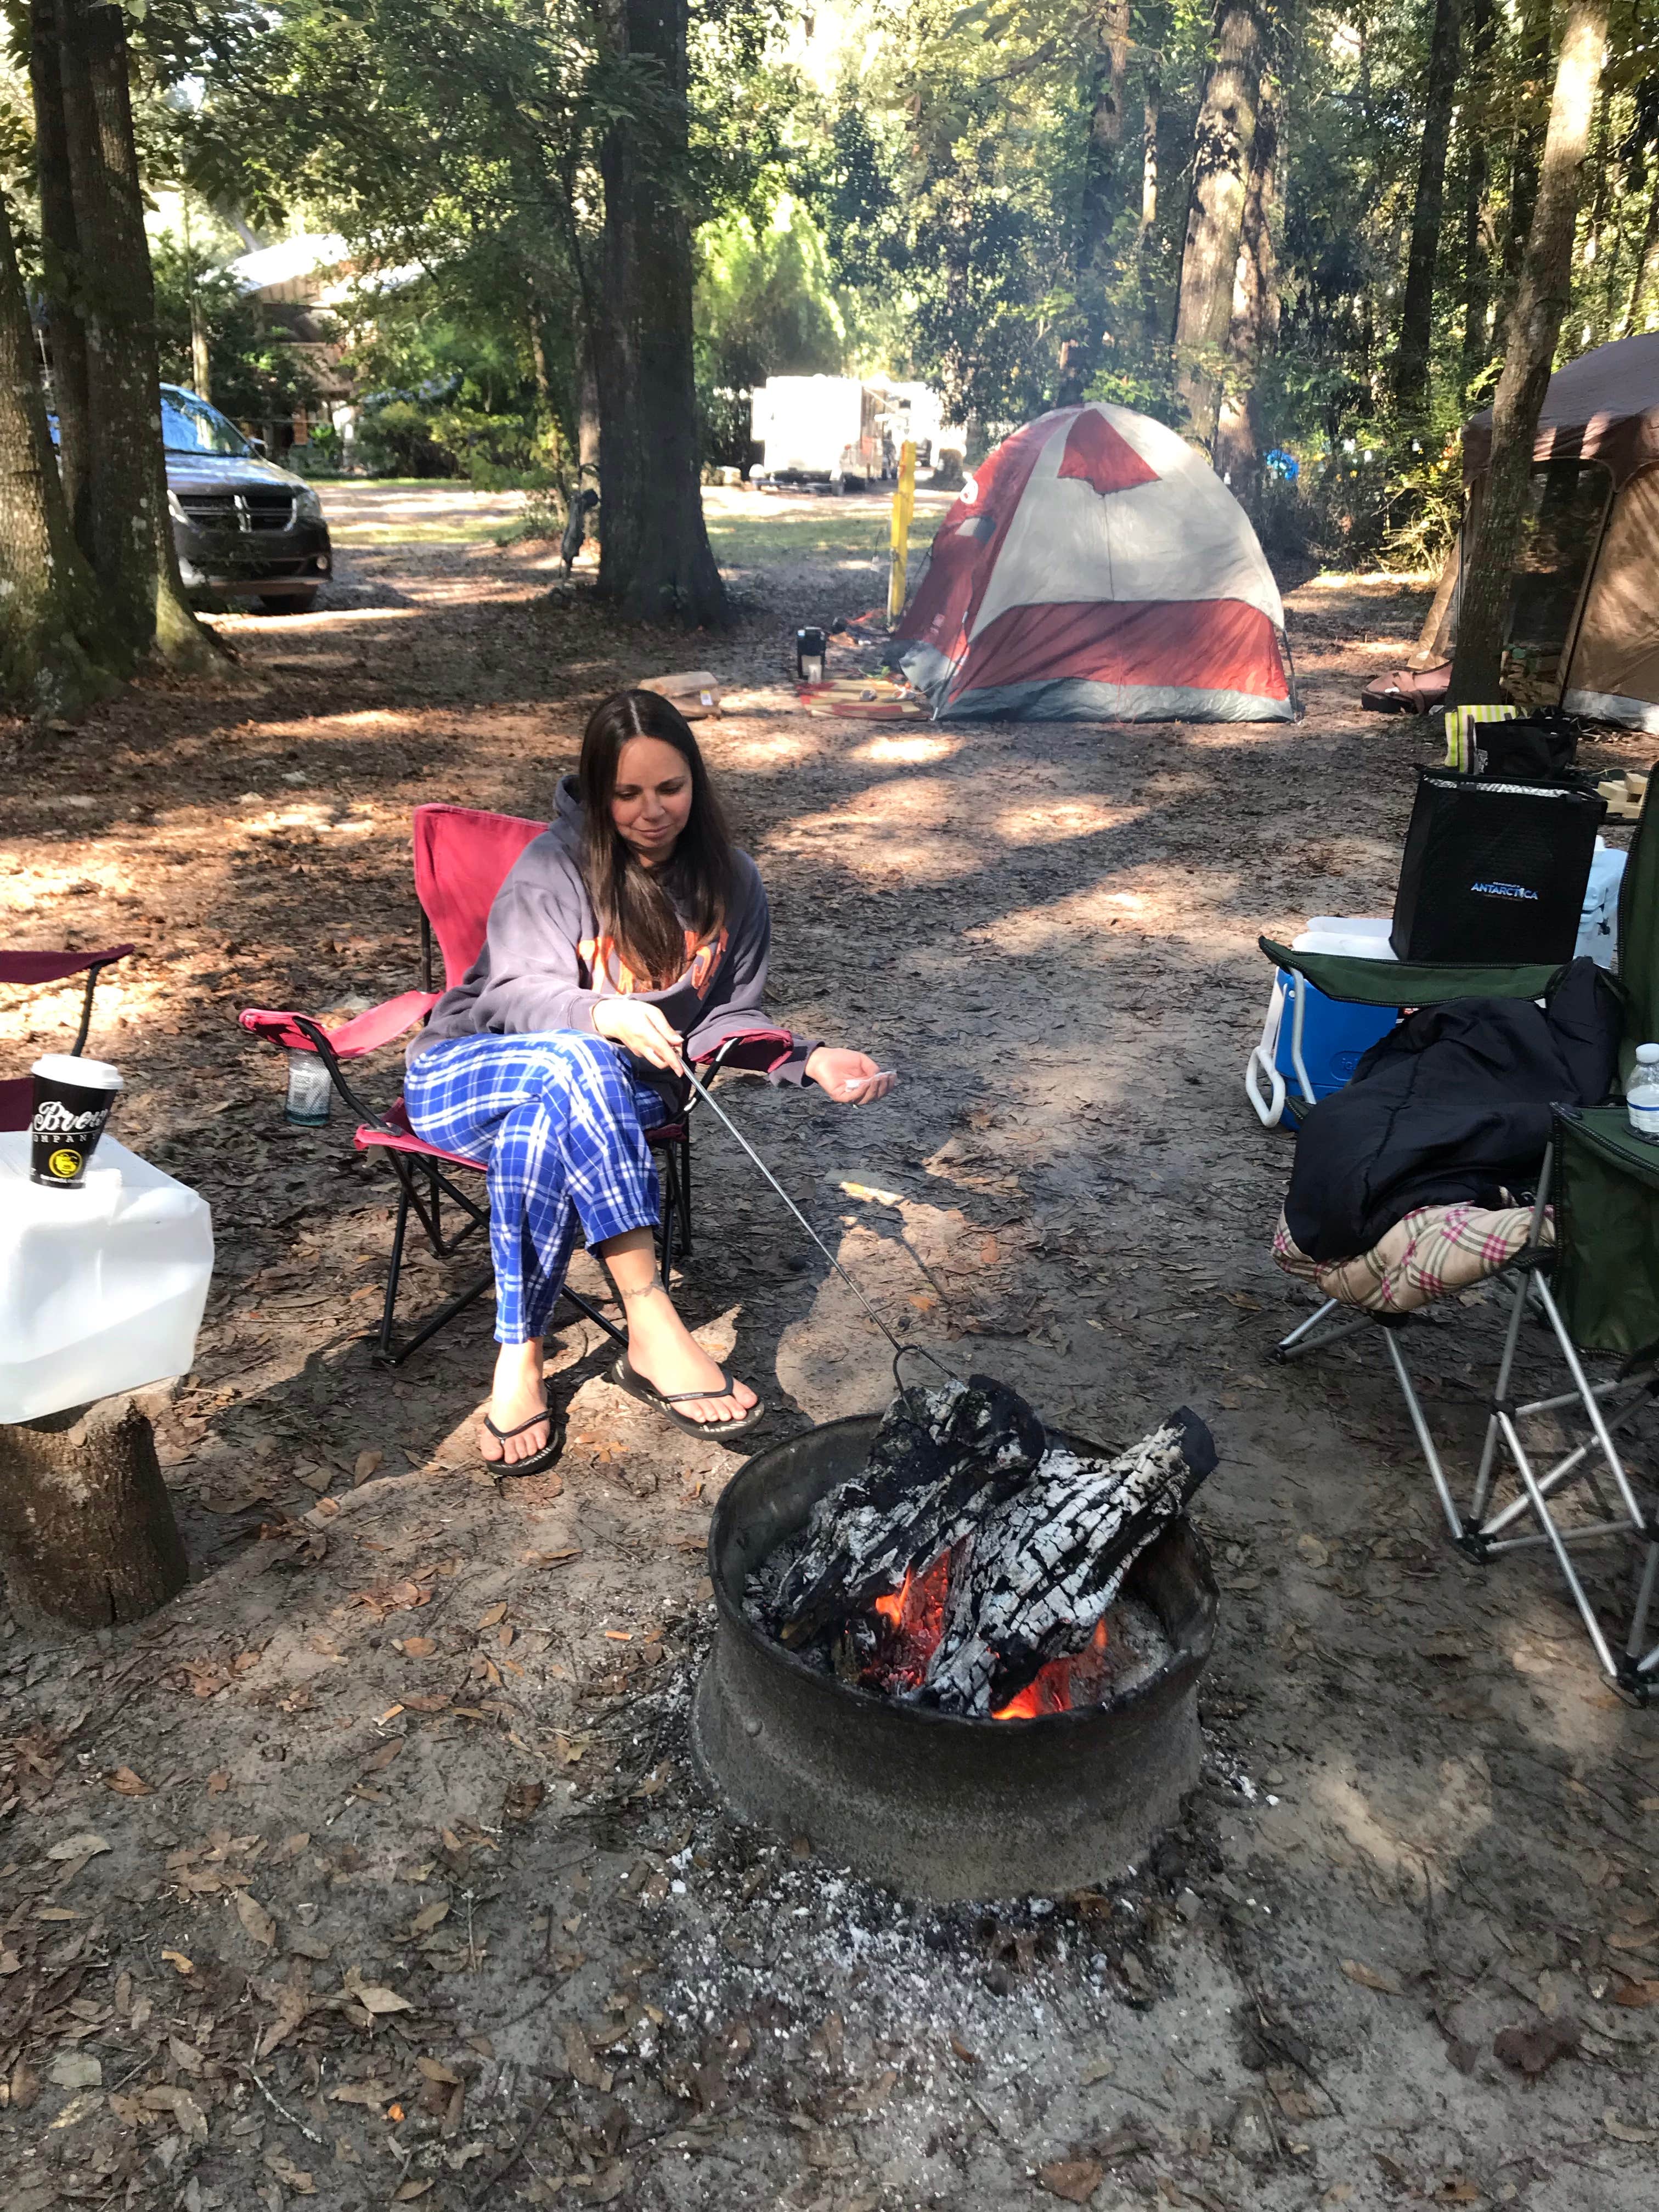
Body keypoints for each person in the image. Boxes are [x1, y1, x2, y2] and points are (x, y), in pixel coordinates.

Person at [404, 688, 895, 1472]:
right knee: (578, 1057)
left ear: (695, 784)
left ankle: (519, 1360)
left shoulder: (732, 881)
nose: (651, 811)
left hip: (601, 1104)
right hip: (469, 1072)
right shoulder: (556, 866)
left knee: (548, 1126)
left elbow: (723, 1020)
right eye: (626, 793)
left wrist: (806, 1059)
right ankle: (650, 1315)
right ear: (599, 794)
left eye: (669, 787)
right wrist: (600, 1013)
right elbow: (509, 995)